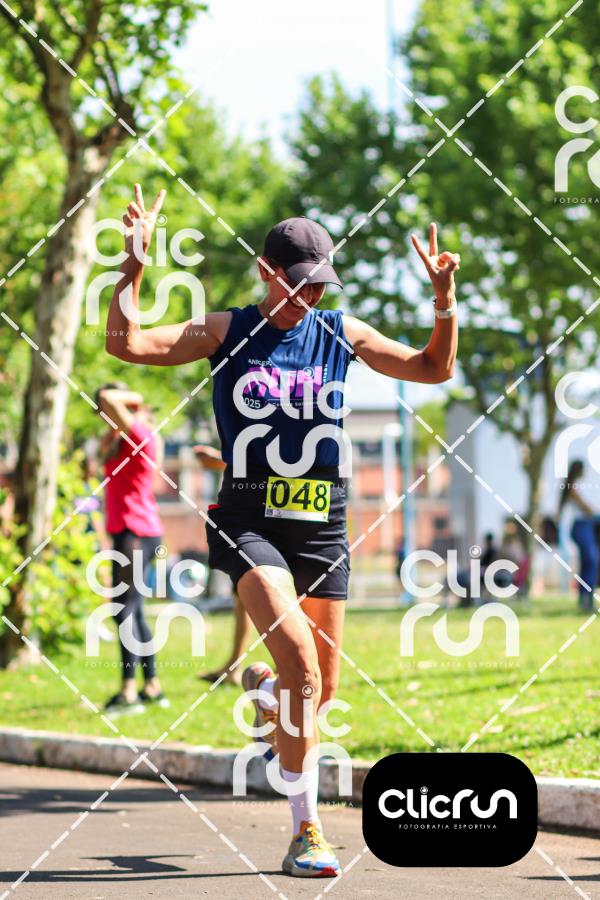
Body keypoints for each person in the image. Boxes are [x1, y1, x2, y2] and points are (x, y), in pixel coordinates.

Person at [106, 185, 459, 877]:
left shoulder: (340, 333)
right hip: (249, 519)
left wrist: (444, 302)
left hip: (322, 524)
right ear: (266, 272)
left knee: (317, 692)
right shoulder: (227, 330)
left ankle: (266, 691)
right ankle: (307, 833)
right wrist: (133, 267)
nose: (309, 296)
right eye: (298, 284)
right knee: (302, 664)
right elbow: (128, 344)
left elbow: (433, 367)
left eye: (319, 285)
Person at [96, 382, 169, 713]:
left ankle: (128, 692)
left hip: (135, 531)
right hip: (130, 532)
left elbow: (108, 397)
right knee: (133, 609)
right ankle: (151, 686)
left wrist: (130, 399)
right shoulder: (123, 439)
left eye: (107, 412)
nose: (103, 413)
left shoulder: (141, 435)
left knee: (122, 609)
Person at [193, 444, 252, 686]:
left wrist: (219, 460)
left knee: (262, 597)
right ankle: (234, 666)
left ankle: (285, 666)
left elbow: (267, 464)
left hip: (270, 521)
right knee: (243, 597)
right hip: (249, 520)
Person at [558, 459, 599, 612]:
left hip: (586, 526)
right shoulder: (573, 488)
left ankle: (586, 599)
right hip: (581, 526)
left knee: (589, 562)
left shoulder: (580, 487)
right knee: (591, 560)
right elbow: (586, 508)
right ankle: (586, 600)